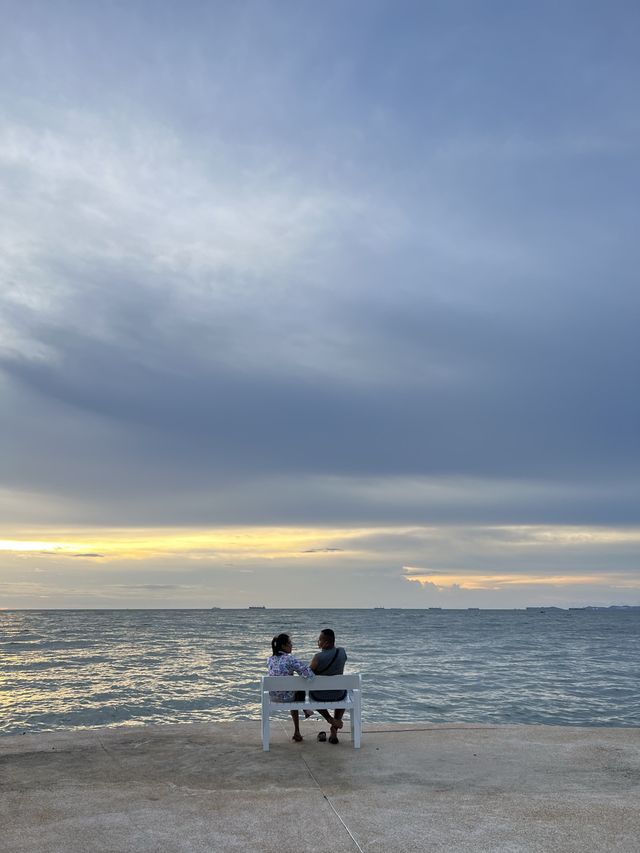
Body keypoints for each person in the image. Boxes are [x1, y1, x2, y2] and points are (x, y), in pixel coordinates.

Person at [267, 633, 314, 742]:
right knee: (299, 685)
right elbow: (308, 674)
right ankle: (305, 709)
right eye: (290, 643)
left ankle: (297, 731)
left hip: (273, 697)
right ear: (283, 646)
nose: (292, 645)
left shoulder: (270, 659)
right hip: (288, 697)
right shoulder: (289, 659)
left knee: (293, 686)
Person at [309, 628, 348, 744]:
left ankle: (330, 720)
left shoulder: (317, 657)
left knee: (311, 695)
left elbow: (307, 674)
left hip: (320, 695)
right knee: (344, 693)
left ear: (326, 642)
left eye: (320, 639)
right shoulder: (342, 652)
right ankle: (334, 729)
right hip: (338, 694)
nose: (318, 641)